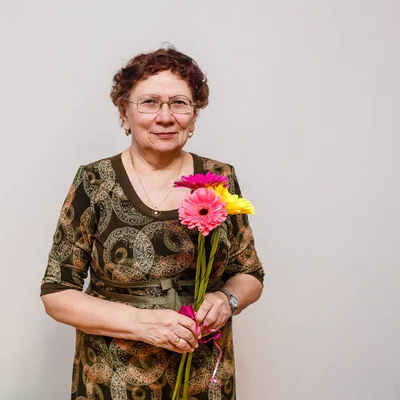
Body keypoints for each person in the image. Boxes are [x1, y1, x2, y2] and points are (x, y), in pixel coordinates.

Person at [40, 46, 264, 400]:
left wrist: (226, 299)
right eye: (149, 102)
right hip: (112, 382)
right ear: (124, 113)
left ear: (193, 117)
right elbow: (56, 294)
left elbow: (250, 274)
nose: (165, 116)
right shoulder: (95, 181)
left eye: (179, 103)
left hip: (203, 379)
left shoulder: (218, 179)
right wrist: (141, 324)